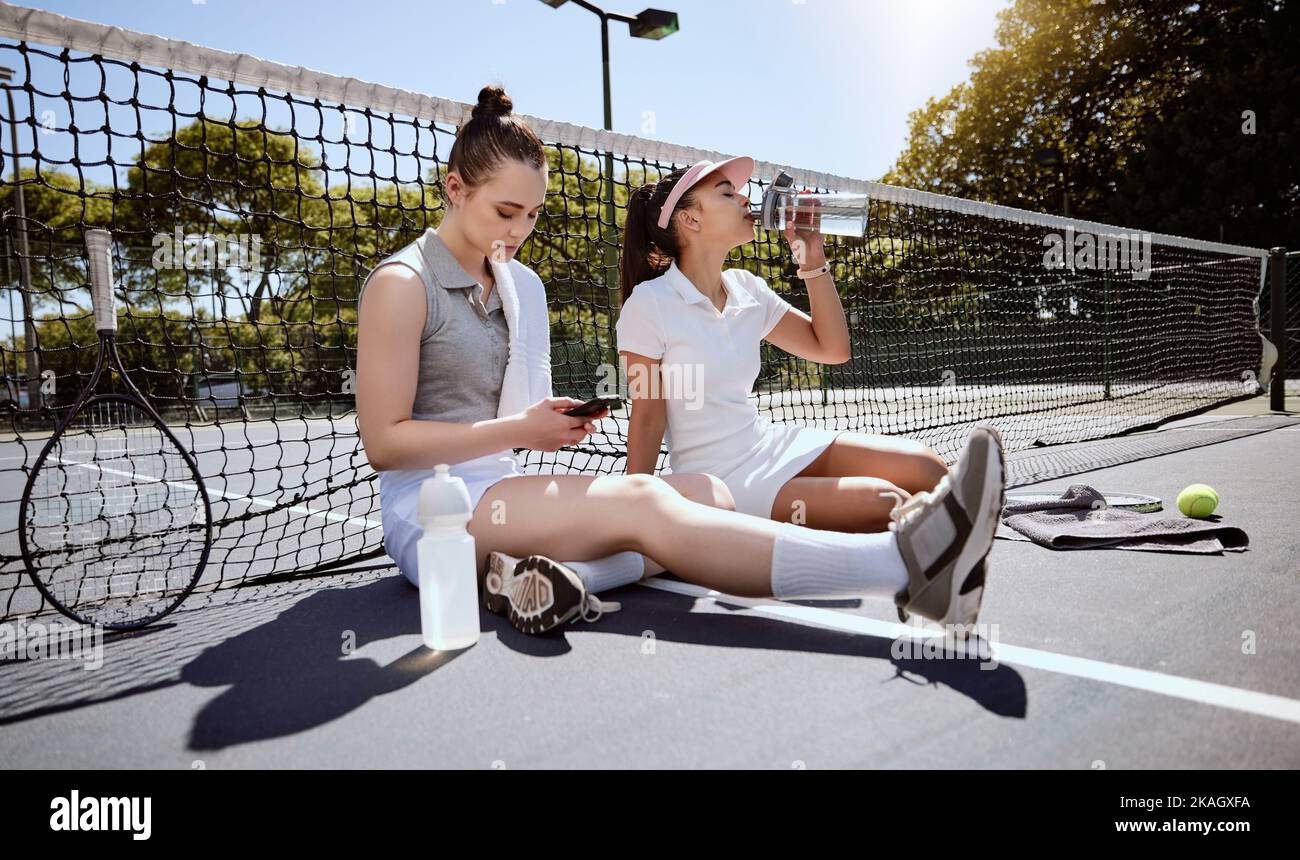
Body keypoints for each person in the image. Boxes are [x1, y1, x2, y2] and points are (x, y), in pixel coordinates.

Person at [355, 85, 1005, 637]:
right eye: (505, 211)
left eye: (533, 213)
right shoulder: (401, 284)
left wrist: (546, 424)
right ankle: (901, 568)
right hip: (432, 513)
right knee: (649, 507)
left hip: (503, 491)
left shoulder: (524, 285)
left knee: (708, 495)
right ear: (454, 188)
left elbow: (523, 421)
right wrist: (527, 431)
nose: (520, 230)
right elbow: (385, 445)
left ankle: (547, 577)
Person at [616, 158, 953, 535]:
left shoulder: (748, 288)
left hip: (770, 442)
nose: (745, 199)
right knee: (885, 504)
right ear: (690, 220)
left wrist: (812, 255)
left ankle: (950, 524)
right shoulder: (649, 304)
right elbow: (647, 417)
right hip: (721, 479)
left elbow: (832, 349)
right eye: (727, 193)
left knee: (929, 469)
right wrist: (634, 515)